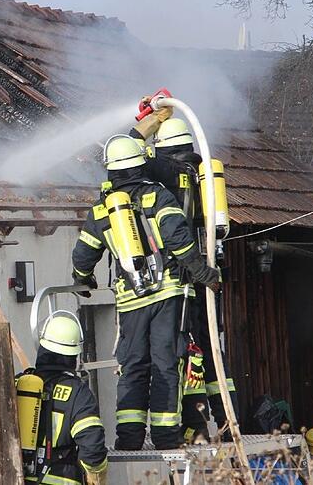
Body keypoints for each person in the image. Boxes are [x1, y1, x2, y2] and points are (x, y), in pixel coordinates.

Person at [71, 135, 221, 450]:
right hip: (168, 294)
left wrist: (84, 281)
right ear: (141, 164)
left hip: (130, 300)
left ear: (110, 171)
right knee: (166, 361)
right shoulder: (159, 197)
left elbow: (83, 256)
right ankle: (166, 435)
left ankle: (129, 438)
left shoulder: (102, 211)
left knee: (133, 365)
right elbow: (179, 240)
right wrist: (203, 273)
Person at [131, 116, 239, 443]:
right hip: (206, 274)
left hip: (184, 278)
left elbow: (128, 159)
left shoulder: (169, 171)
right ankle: (227, 420)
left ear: (163, 149)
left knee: (183, 352)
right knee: (210, 350)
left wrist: (145, 124)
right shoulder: (197, 171)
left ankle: (191, 424)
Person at [17, 314, 108, 484]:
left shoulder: (18, 384)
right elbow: (93, 449)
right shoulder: (78, 393)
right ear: (74, 355)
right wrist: (97, 478)